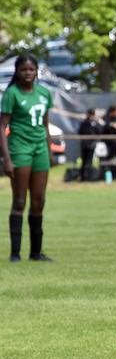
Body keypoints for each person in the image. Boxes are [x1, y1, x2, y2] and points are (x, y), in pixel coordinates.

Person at [0, 54, 54, 262]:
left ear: (37, 71)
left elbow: (45, 124)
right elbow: (2, 126)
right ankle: (15, 253)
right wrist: (7, 158)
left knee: (39, 201)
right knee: (20, 200)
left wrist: (49, 149)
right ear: (17, 71)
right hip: (20, 149)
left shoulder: (43, 93)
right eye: (24, 70)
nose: (28, 73)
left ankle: (36, 252)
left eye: (31, 70)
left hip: (40, 149)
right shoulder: (12, 94)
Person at [77, 108, 100, 182]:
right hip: (86, 144)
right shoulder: (85, 122)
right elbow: (80, 132)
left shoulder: (93, 123)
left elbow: (99, 131)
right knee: (85, 161)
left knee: (88, 161)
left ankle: (87, 177)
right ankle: (83, 177)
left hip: (90, 144)